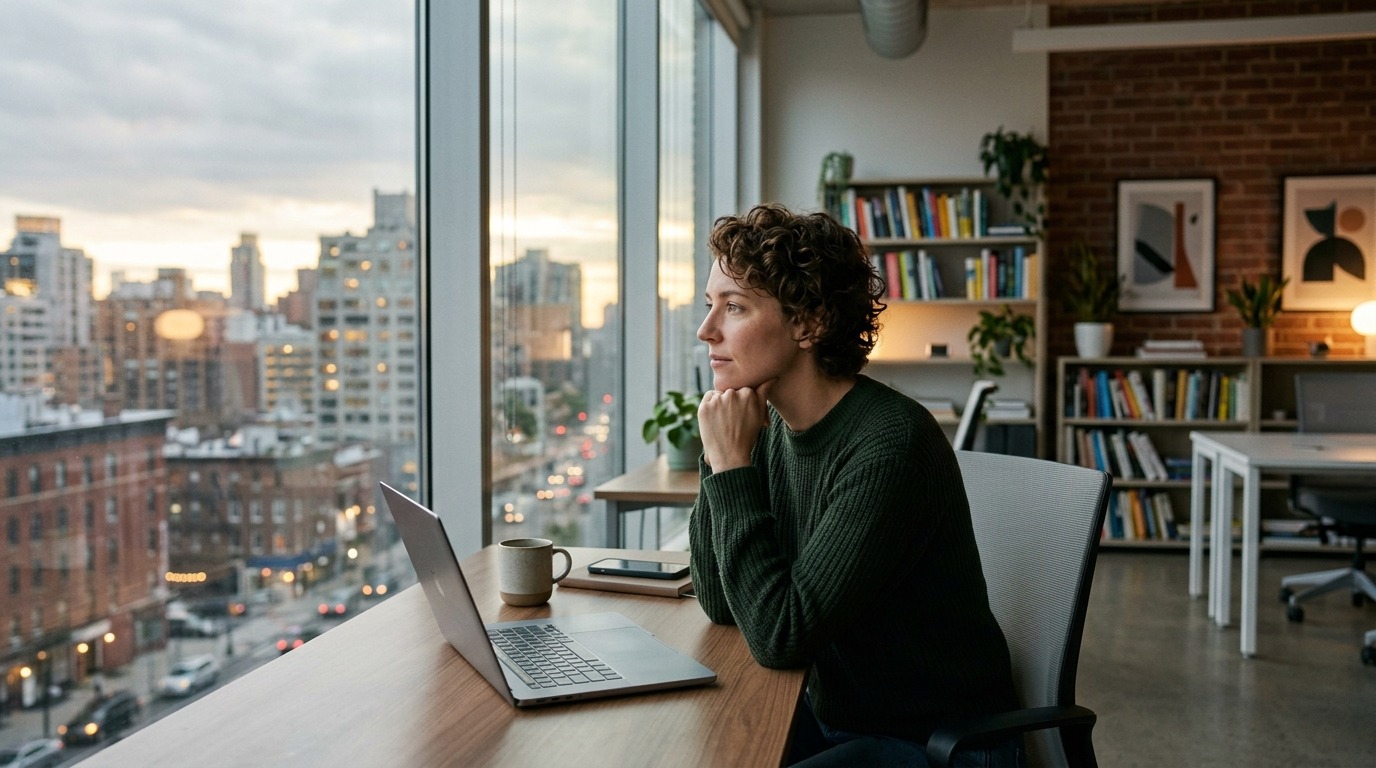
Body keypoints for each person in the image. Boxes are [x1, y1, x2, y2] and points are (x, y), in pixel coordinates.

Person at [689, 203, 1022, 767]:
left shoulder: (890, 445)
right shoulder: (765, 429)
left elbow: (780, 636)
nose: (706, 330)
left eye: (735, 307)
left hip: (941, 743)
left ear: (809, 323)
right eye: (709, 307)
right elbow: (720, 601)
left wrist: (730, 470)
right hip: (838, 719)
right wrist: (721, 453)